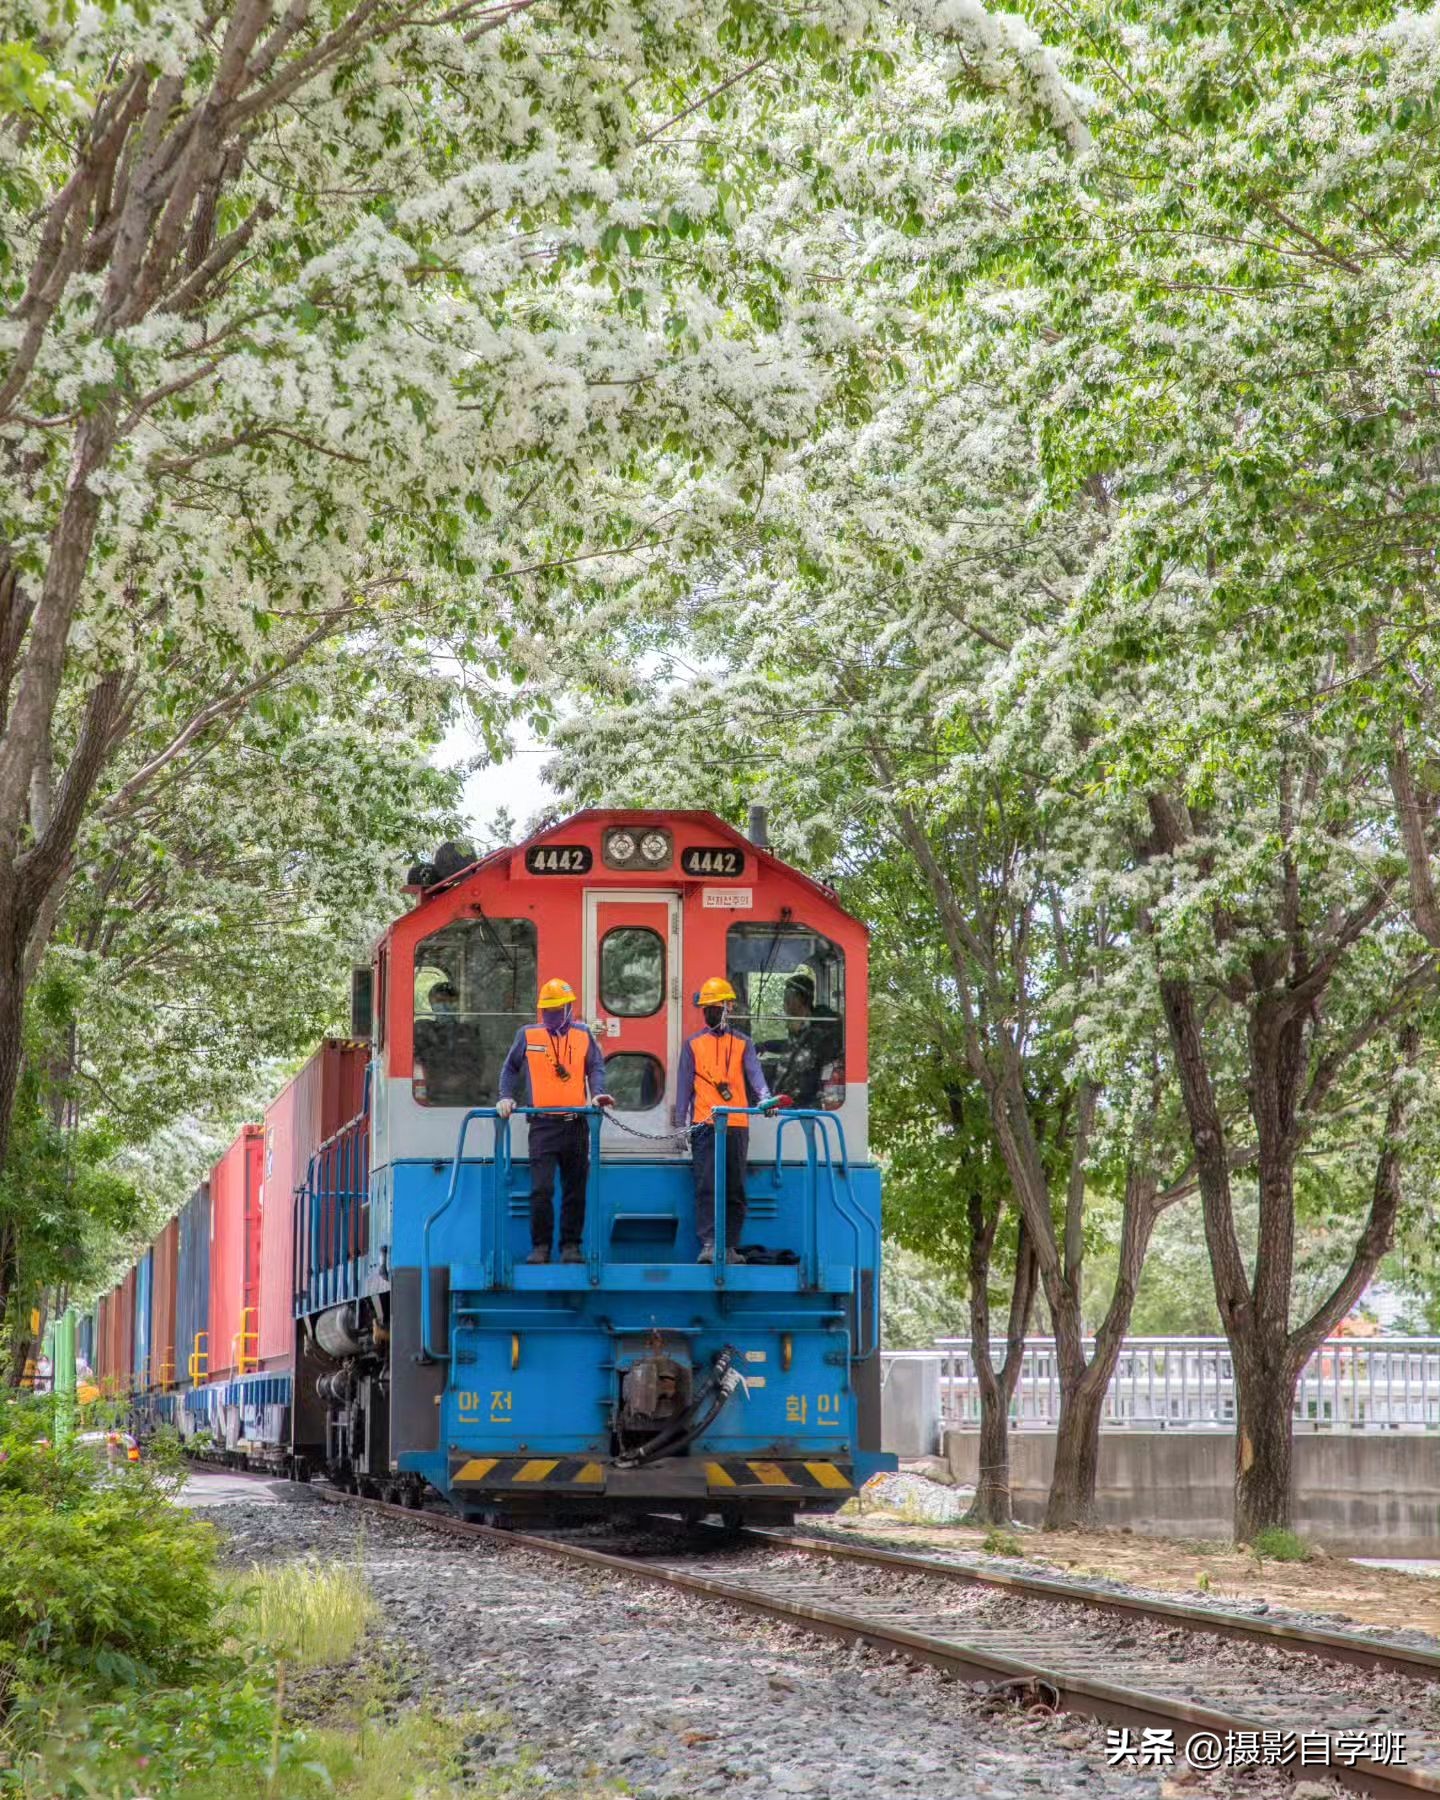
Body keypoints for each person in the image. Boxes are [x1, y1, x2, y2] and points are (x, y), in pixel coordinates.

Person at [497, 977, 613, 1264]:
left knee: (575, 1189)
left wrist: (597, 1095)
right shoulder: (527, 1035)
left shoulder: (584, 1035)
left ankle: (571, 1246)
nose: (550, 1015)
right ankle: (541, 1247)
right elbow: (510, 1068)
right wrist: (506, 1096)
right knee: (542, 1189)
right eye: (546, 1010)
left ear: (569, 1008)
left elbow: (596, 1067)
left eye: (556, 1009)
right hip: (542, 1124)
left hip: (576, 1124)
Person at [674, 977, 790, 1264]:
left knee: (735, 1188)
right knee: (706, 1186)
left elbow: (756, 1077)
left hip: (737, 1125)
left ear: (729, 1007)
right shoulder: (693, 1045)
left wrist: (765, 1099)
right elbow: (683, 1086)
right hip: (705, 1126)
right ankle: (709, 1244)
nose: (712, 1012)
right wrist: (680, 1125)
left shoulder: (743, 1043)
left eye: (717, 1007)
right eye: (707, 1008)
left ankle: (729, 1246)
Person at [766, 972, 841, 1109]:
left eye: (788, 998)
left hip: (808, 1097)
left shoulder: (822, 1025)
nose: (785, 1004)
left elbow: (806, 1053)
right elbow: (790, 1047)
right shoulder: (799, 1025)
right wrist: (765, 1046)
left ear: (800, 999)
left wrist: (801, 1031)